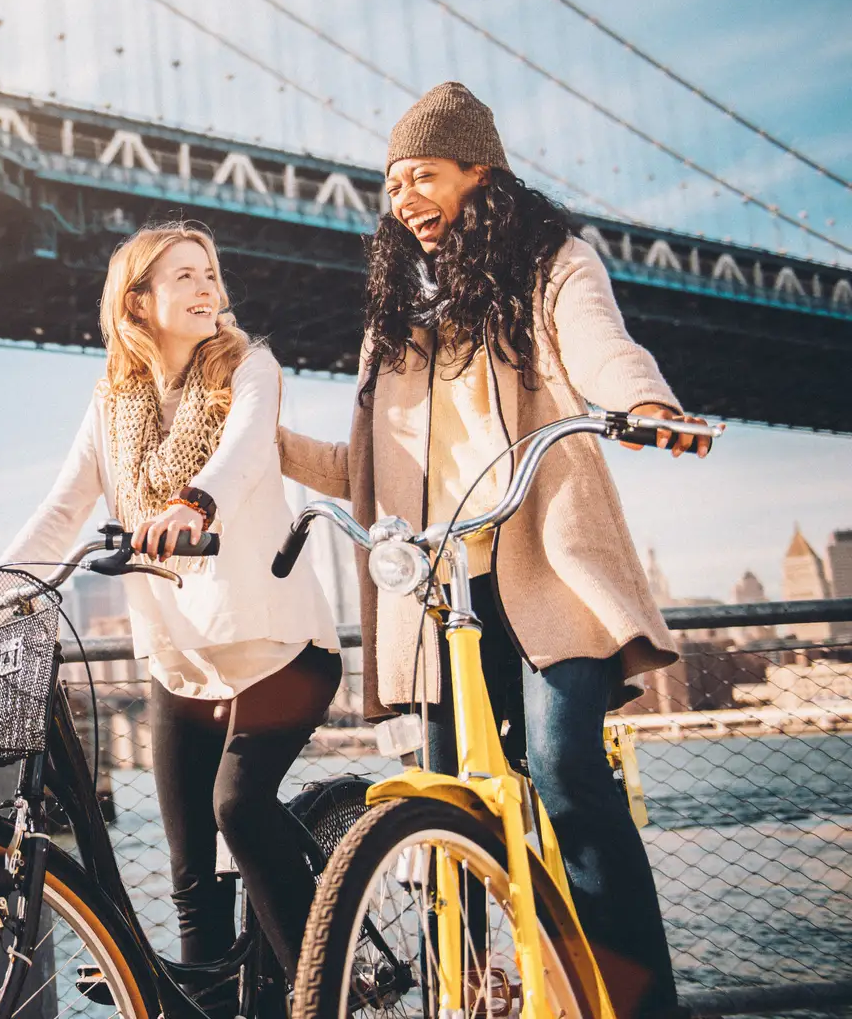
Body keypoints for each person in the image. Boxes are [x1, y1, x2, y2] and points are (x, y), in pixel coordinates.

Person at [278, 83, 710, 1019]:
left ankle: (638, 1005)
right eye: (392, 185)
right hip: (440, 591)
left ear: (482, 172)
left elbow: (600, 342)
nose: (405, 199)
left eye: (423, 176)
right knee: (442, 800)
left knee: (561, 772)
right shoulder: (395, 317)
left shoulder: (553, 265)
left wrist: (644, 402)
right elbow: (366, 464)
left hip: (543, 568)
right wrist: (258, 444)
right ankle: (475, 992)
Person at [0, 221, 340, 1006]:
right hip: (183, 664)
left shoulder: (250, 368)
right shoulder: (111, 403)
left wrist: (193, 502)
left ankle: (331, 983)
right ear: (138, 302)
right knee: (192, 884)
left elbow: (245, 453)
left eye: (211, 272)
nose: (208, 286)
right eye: (184, 275)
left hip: (282, 652)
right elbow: (61, 509)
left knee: (239, 808)